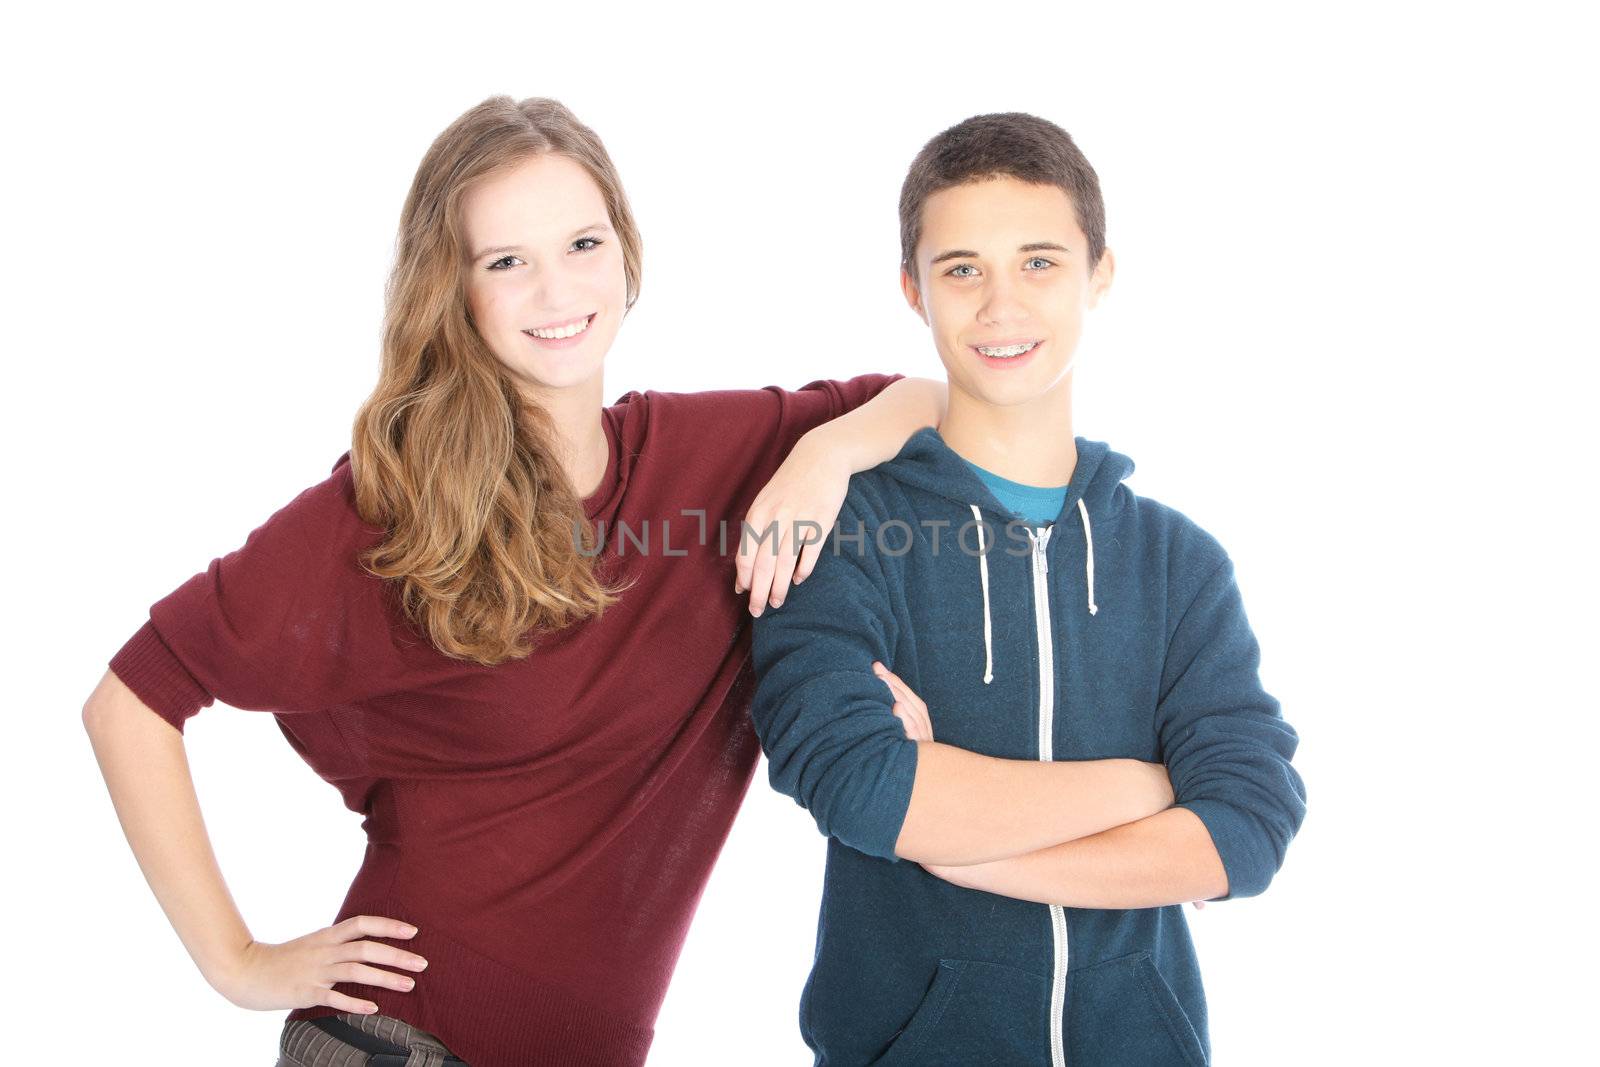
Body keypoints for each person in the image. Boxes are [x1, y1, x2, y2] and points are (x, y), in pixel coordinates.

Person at [81, 95, 949, 1067]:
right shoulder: (390, 506)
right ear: (451, 289)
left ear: (625, 250)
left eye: (581, 243)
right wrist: (235, 961)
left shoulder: (701, 453)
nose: (556, 289)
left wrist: (824, 455)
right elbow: (132, 698)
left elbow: (937, 403)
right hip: (403, 1038)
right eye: (507, 261)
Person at [749, 112, 1307, 1066]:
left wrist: (973, 848)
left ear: (1100, 272)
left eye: (1040, 262)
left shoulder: (1178, 562)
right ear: (911, 291)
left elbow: (1248, 829)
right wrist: (1149, 787)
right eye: (962, 268)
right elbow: (864, 785)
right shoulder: (840, 539)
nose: (1001, 305)